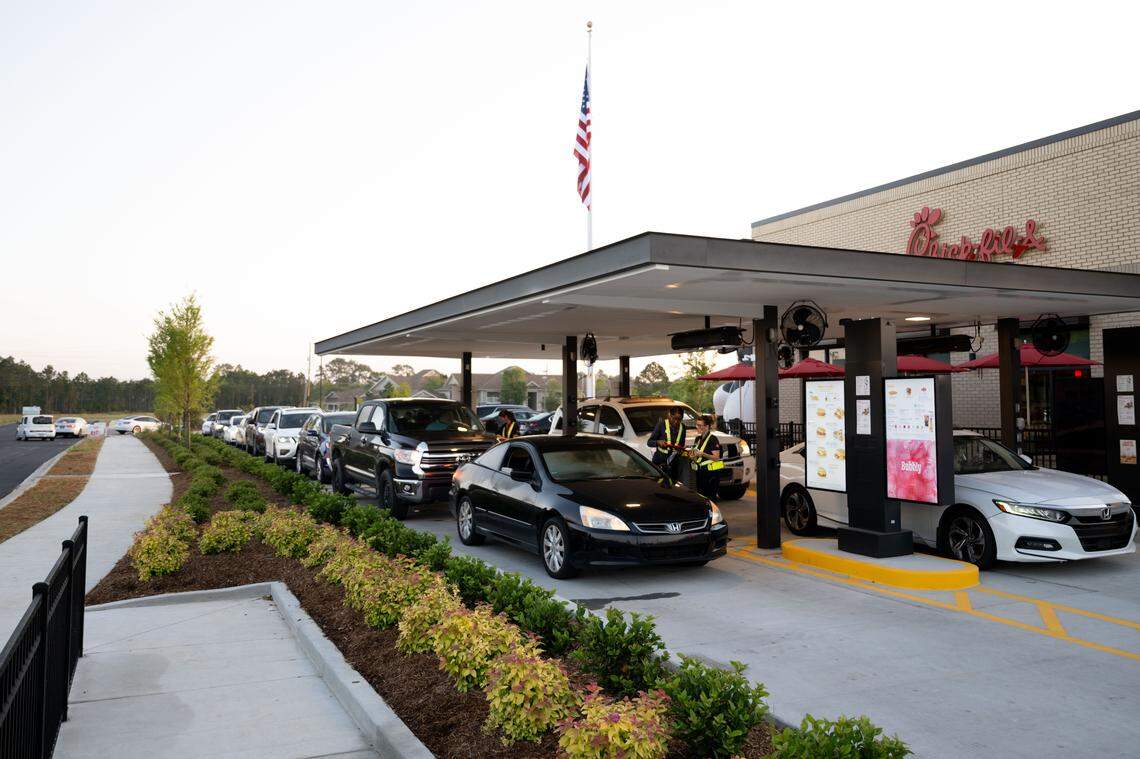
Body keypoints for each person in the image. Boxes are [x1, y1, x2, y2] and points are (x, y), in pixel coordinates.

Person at [689, 414, 724, 500]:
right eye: (697, 425)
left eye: (701, 425)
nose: (698, 427)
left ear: (707, 426)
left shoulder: (713, 439)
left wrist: (702, 454)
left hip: (711, 474)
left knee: (710, 498)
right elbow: (697, 458)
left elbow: (716, 458)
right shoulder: (698, 439)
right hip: (700, 473)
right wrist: (692, 456)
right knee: (702, 498)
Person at [648, 407, 686, 481]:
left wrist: (681, 449)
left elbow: (682, 444)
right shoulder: (661, 425)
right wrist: (658, 442)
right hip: (660, 460)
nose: (676, 421)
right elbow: (649, 442)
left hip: (674, 463)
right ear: (669, 415)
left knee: (673, 485)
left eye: (679, 419)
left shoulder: (683, 427)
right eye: (674, 418)